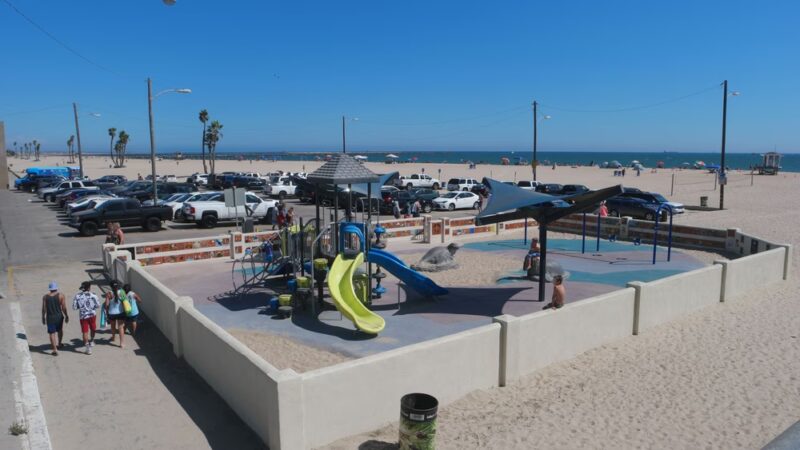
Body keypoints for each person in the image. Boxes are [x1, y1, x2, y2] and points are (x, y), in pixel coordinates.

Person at [72, 281, 100, 354]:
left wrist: (81, 306)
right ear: (89, 287)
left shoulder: (77, 296)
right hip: (92, 315)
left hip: (83, 316)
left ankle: (88, 348)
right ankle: (92, 340)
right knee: (93, 328)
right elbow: (98, 305)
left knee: (85, 331)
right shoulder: (94, 295)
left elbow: (74, 307)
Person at [42, 282, 68, 355]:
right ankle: (59, 343)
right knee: (60, 330)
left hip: (50, 318)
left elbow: (44, 309)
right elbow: (64, 307)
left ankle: (54, 349)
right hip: (59, 317)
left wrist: (43, 317)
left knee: (51, 333)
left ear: (50, 289)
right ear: (56, 288)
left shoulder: (45, 297)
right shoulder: (61, 296)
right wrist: (66, 315)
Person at [104, 281, 127, 349]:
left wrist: (107, 312)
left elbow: (107, 305)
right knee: (121, 327)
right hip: (121, 312)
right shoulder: (122, 292)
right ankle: (122, 343)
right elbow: (125, 302)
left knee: (113, 326)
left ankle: (113, 337)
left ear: (111, 286)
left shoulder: (109, 293)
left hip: (112, 313)